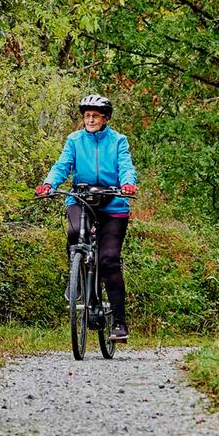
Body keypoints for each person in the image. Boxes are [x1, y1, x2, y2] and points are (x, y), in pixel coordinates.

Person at [36, 94, 139, 341]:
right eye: (86, 116)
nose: (90, 119)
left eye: (95, 115)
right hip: (81, 198)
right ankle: (77, 277)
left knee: (109, 260)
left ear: (106, 118)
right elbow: (62, 165)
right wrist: (49, 184)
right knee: (74, 233)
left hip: (113, 201)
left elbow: (126, 166)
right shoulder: (74, 140)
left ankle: (119, 323)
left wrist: (127, 184)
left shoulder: (118, 141)